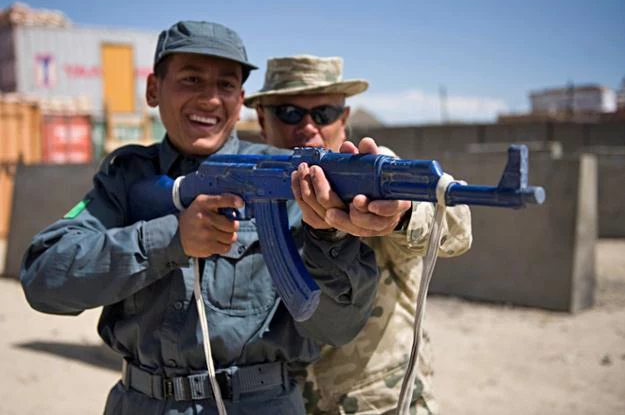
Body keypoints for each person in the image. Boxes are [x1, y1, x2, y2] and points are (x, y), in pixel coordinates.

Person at [20, 22, 395, 415]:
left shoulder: (284, 175)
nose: (211, 99)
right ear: (153, 90)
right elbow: (43, 279)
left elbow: (337, 328)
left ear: (240, 99)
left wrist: (330, 237)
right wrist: (170, 239)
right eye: (192, 79)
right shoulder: (127, 176)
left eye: (226, 86)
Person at [245, 54, 473, 414]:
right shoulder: (254, 182)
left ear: (344, 119)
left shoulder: (373, 176)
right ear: (261, 119)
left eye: (323, 113)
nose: (308, 126)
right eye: (288, 112)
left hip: (377, 404)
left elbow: (456, 225)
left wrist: (401, 213)